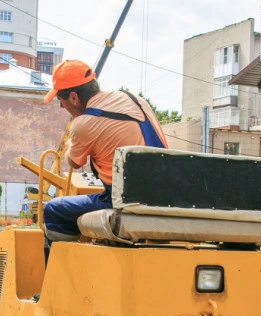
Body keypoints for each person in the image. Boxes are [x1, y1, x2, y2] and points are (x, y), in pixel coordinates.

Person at [42, 59, 169, 259]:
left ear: (74, 97)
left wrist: (68, 147)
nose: (61, 106)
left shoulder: (84, 123)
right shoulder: (134, 99)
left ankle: (55, 284)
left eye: (61, 100)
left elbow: (75, 162)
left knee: (53, 210)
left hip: (126, 202)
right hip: (167, 195)